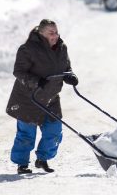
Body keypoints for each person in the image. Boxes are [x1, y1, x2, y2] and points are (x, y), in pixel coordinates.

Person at [6, 19, 79, 174]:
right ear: (41, 33)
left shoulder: (61, 47)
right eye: (51, 33)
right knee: (26, 134)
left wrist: (69, 76)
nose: (55, 35)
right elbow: (18, 72)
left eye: (56, 32)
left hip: (50, 97)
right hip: (29, 97)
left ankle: (42, 160)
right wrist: (36, 81)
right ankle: (22, 164)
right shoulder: (28, 49)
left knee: (54, 131)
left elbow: (66, 67)